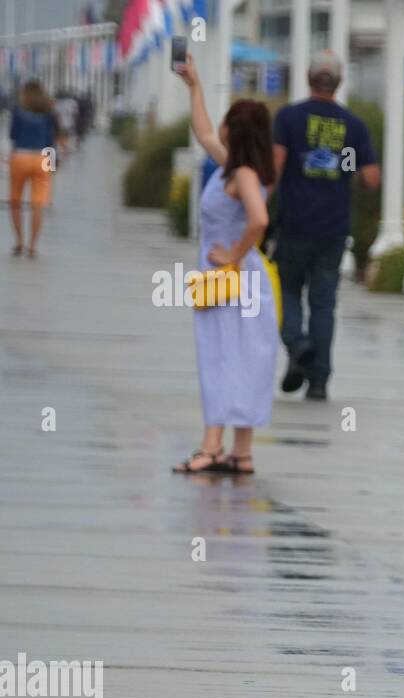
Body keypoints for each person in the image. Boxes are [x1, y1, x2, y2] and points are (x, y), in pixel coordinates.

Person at [171, 54, 279, 476]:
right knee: (240, 359)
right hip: (230, 278)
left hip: (231, 279)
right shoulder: (231, 167)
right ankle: (241, 452)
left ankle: (213, 446)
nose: (220, 128)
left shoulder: (244, 176)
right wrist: (194, 86)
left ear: (235, 130)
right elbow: (201, 129)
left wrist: (232, 255)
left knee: (221, 358)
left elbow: (260, 220)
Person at [272, 50, 379, 401]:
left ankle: (297, 343)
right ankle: (318, 381)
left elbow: (274, 169)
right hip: (333, 226)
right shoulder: (354, 125)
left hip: (294, 223)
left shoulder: (289, 118)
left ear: (308, 78)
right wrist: (345, 168)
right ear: (339, 82)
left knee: (288, 291)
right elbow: (372, 178)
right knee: (323, 303)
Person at [6, 81, 60, 258]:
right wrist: (51, 165)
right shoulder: (48, 113)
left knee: (16, 202)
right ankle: (32, 246)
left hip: (20, 157)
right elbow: (50, 140)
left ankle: (19, 241)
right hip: (42, 157)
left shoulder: (18, 110)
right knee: (38, 204)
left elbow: (12, 135)